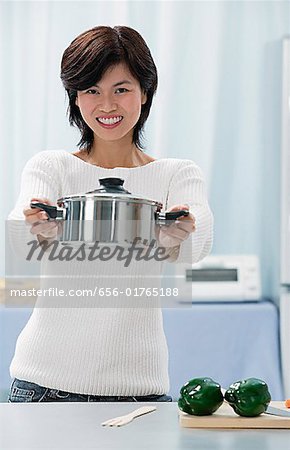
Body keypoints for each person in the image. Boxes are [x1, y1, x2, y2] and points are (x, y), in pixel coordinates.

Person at [7, 25, 213, 403]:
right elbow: (20, 236)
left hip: (140, 391)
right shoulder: (51, 167)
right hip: (44, 387)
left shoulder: (176, 174)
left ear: (145, 92)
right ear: (75, 97)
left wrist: (176, 235)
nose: (106, 106)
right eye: (91, 91)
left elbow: (196, 244)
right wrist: (37, 226)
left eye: (121, 89)